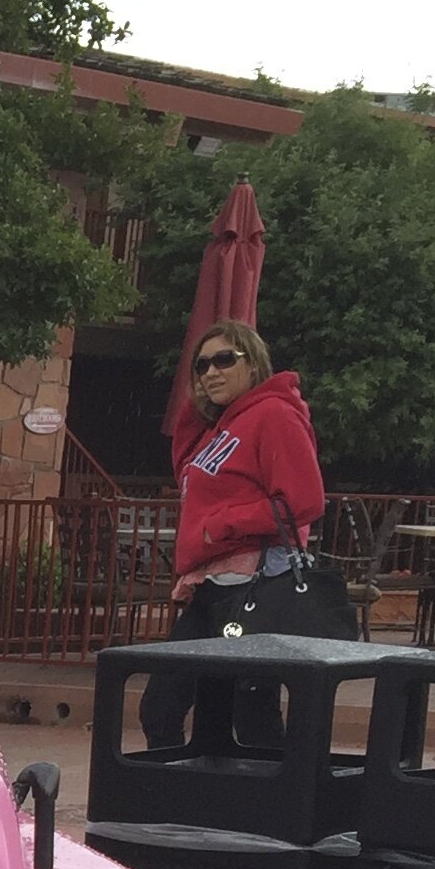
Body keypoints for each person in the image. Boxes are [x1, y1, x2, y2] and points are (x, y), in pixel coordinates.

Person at [142, 320, 329, 747]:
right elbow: (186, 473)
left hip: (255, 585)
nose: (211, 372)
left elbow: (305, 500)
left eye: (225, 359)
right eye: (202, 365)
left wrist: (224, 525)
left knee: (249, 712)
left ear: (254, 362)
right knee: (164, 706)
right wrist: (195, 409)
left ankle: (270, 810)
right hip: (212, 587)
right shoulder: (220, 426)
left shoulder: (275, 414)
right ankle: (188, 807)